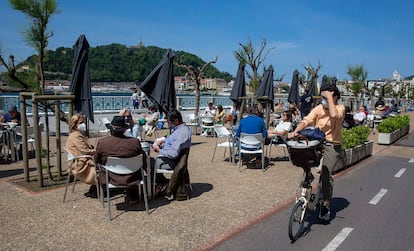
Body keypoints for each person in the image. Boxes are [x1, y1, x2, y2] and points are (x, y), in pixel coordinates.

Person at [288, 83, 345, 221]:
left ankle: (325, 203)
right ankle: (308, 177)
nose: (323, 100)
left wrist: (330, 98)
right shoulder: (319, 108)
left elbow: (334, 115)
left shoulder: (340, 108)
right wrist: (296, 131)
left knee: (325, 174)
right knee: (302, 157)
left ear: (335, 97)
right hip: (317, 143)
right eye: (322, 97)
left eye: (326, 97)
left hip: (332, 144)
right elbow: (307, 120)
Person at [95, 116, 148, 201]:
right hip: (132, 177)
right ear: (124, 130)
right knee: (134, 166)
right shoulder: (134, 142)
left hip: (110, 177)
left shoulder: (102, 142)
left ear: (111, 129)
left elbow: (97, 160)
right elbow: (143, 159)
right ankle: (134, 195)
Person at [153, 110, 192, 200]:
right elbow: (175, 145)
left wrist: (159, 150)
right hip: (171, 157)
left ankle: (162, 184)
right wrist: (165, 143)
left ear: (176, 121)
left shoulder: (181, 133)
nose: (168, 125)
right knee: (148, 162)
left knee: (147, 163)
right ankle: (163, 183)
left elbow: (173, 153)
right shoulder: (181, 129)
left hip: (172, 161)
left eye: (169, 123)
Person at [65, 114, 97, 198]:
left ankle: (97, 188)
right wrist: (96, 151)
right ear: (75, 124)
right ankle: (98, 188)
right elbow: (84, 150)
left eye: (84, 122)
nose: (83, 124)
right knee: (103, 165)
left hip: (80, 159)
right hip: (80, 163)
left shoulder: (78, 134)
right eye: (81, 123)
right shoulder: (76, 135)